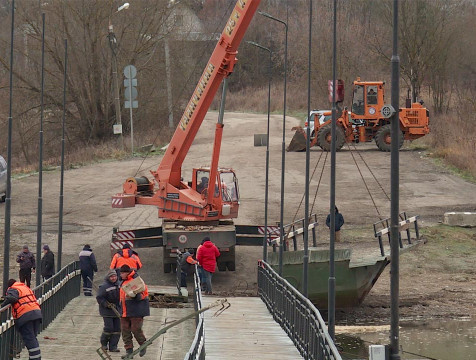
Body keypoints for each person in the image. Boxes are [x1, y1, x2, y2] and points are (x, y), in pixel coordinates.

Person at [2, 278, 42, 360]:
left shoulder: (13, 289)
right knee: (33, 338)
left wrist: (3, 304)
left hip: (25, 315)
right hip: (36, 313)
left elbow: (12, 298)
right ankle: (35, 357)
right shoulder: (24, 287)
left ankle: (35, 359)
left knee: (29, 339)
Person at [119, 264, 150, 358]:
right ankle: (129, 351)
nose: (120, 275)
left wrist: (136, 295)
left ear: (127, 273)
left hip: (136, 310)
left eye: (122, 273)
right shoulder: (122, 282)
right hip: (124, 311)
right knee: (125, 331)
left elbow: (143, 294)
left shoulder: (136, 281)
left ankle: (143, 345)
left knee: (136, 329)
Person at [96, 269, 121, 353]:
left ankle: (113, 346)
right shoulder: (104, 286)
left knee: (117, 329)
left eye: (114, 276)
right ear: (108, 277)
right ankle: (104, 344)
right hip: (107, 311)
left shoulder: (119, 285)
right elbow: (99, 297)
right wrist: (106, 304)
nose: (113, 278)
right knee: (109, 328)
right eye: (111, 276)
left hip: (117, 310)